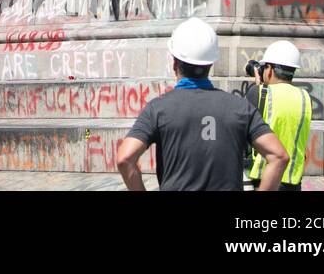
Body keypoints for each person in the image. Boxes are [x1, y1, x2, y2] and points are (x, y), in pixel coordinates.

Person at [115, 17, 289, 191]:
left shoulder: (158, 109)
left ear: (174, 63)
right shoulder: (241, 108)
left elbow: (125, 159)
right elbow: (278, 156)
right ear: (210, 63)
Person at [245, 40, 313, 191]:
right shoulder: (305, 97)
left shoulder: (259, 93)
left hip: (264, 180)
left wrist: (259, 87)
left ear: (269, 70)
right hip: (293, 181)